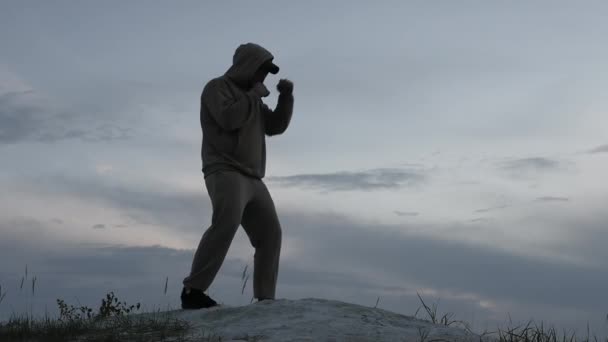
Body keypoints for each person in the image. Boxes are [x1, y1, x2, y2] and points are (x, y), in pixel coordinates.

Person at [181, 42, 294, 309]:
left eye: (266, 72)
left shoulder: (251, 96)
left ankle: (265, 299)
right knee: (226, 223)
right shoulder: (217, 88)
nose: (263, 77)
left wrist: (286, 98)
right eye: (261, 70)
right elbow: (228, 119)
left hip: (254, 177)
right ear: (247, 65)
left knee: (270, 234)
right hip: (224, 169)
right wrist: (253, 96)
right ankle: (193, 291)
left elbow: (275, 127)